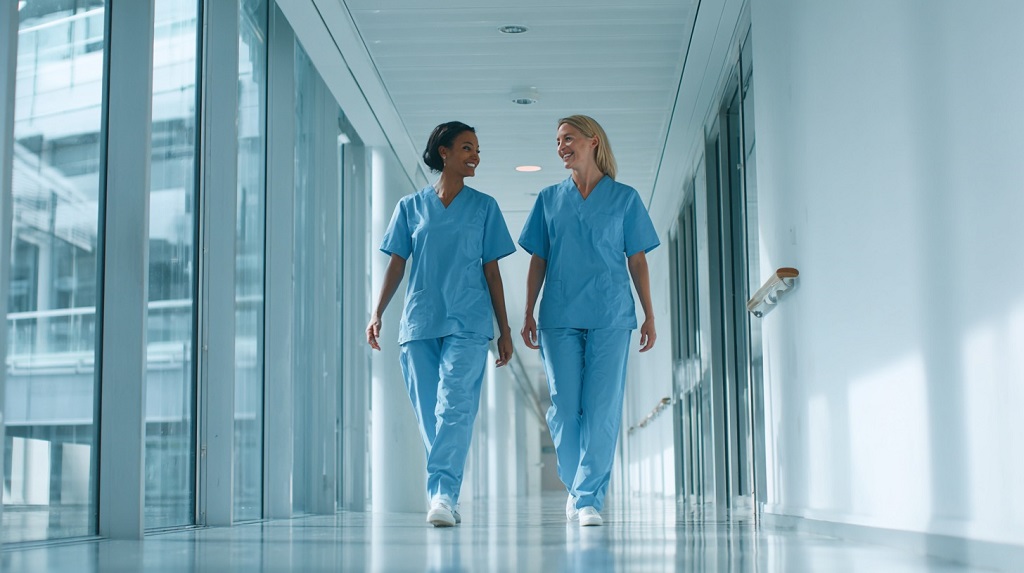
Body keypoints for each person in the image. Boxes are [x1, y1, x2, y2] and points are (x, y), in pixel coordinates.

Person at [367, 121, 516, 527]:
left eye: (478, 150)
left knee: (453, 407)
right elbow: (396, 264)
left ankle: (443, 495)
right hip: (419, 324)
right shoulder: (409, 208)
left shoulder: (484, 207)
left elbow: (493, 273)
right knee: (432, 417)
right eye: (468, 148)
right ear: (444, 152)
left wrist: (504, 330)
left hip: (468, 322)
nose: (476, 157)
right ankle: (443, 492)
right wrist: (377, 311)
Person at [519, 115, 659, 527]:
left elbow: (637, 260)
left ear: (592, 141)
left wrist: (650, 313)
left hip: (611, 315)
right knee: (564, 408)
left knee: (601, 408)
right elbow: (537, 260)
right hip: (559, 315)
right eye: (557, 140)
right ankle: (578, 482)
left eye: (568, 138)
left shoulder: (625, 199)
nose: (561, 146)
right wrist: (526, 310)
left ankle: (587, 500)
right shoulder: (548, 199)